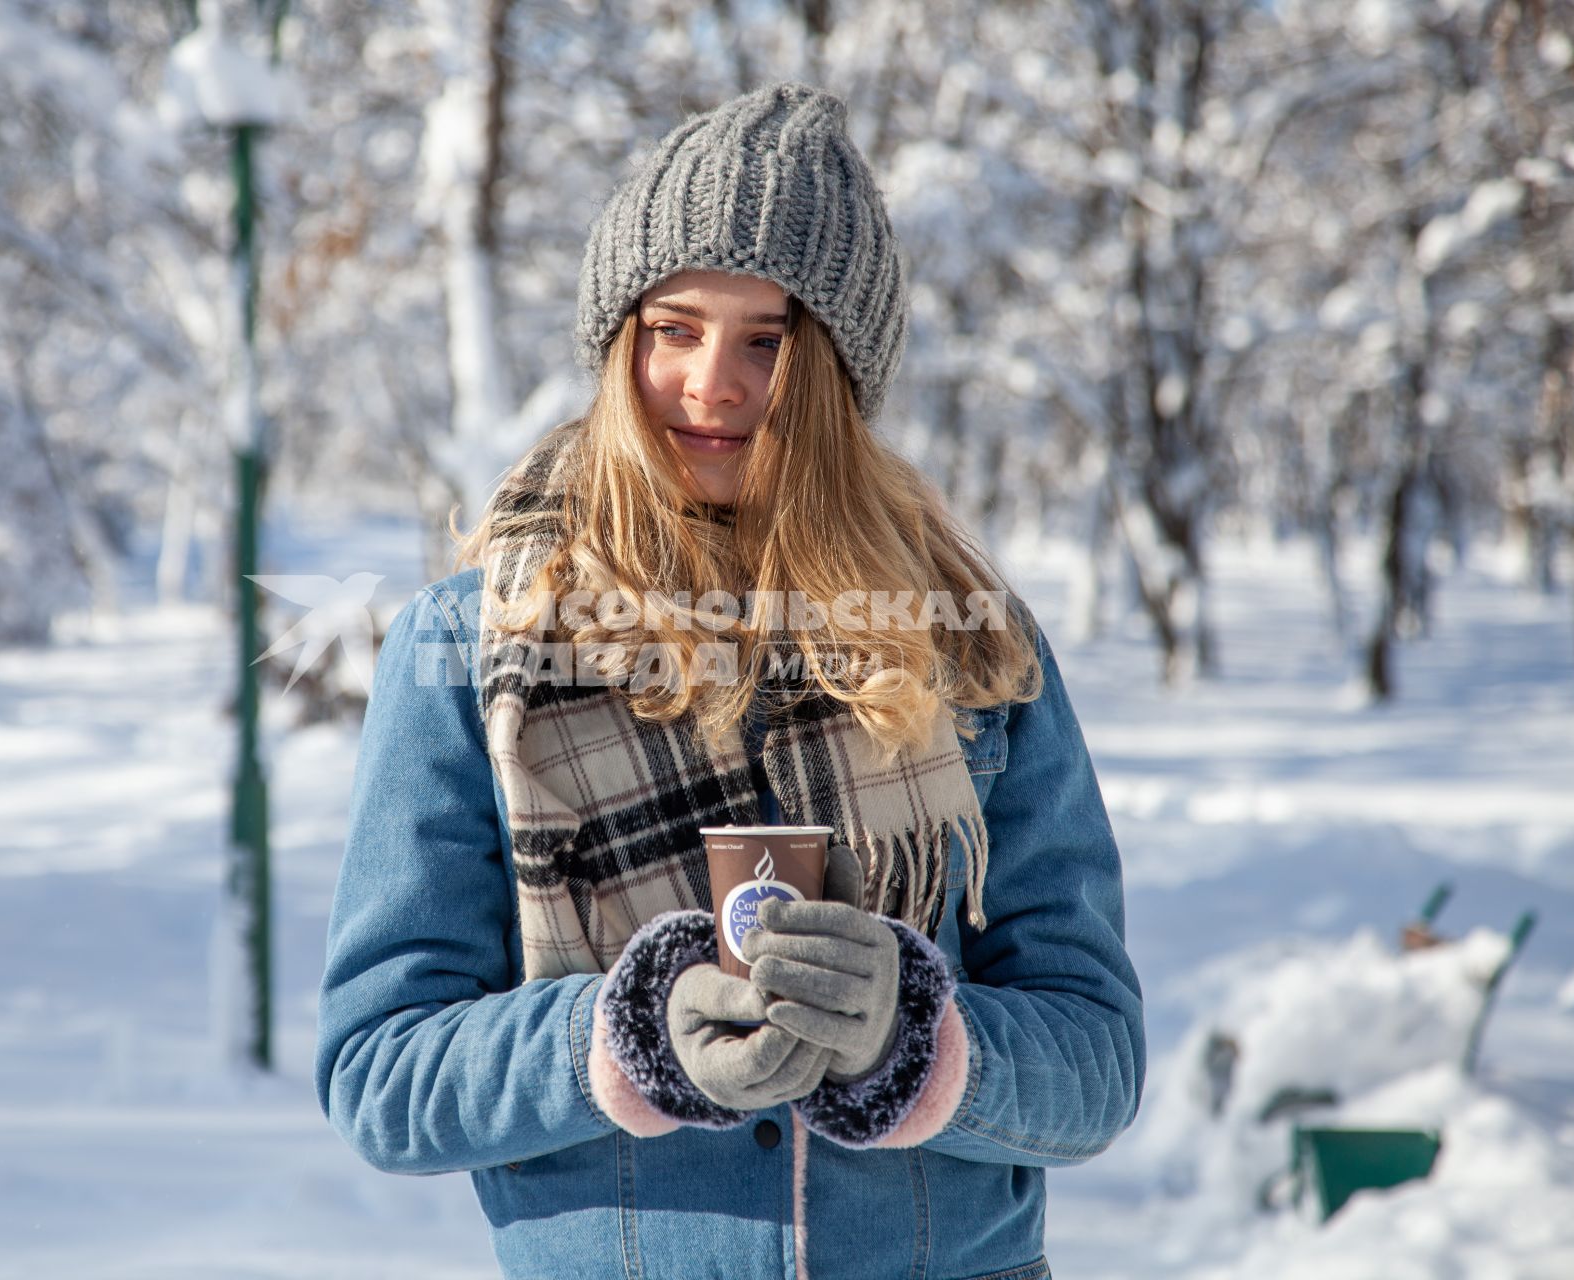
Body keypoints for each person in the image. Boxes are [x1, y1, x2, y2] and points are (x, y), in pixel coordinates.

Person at [315, 82, 1144, 1280]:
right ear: (619, 342)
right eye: (674, 328)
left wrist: (923, 1040)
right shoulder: (473, 648)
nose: (714, 383)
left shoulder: (967, 642)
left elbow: (1097, 1054)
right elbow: (380, 1071)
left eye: (770, 340)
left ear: (837, 377)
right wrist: (626, 1034)